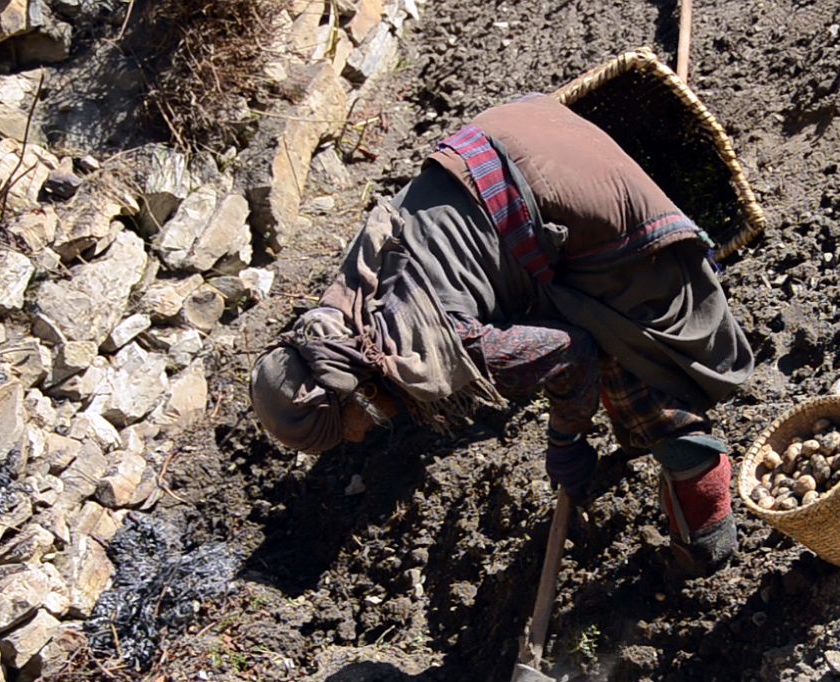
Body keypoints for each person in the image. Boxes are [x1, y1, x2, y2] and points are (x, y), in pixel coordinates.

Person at [249, 93, 754, 574]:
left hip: (577, 191)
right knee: (537, 306)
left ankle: (700, 496)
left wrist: (566, 438)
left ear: (350, 394)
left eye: (347, 429)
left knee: (623, 351)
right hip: (514, 131)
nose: (358, 437)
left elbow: (568, 351)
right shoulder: (336, 317)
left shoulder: (427, 348)